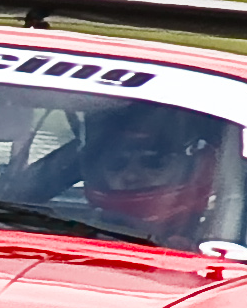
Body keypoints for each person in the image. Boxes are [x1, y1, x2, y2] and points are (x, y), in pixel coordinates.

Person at [81, 105, 218, 246]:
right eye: (116, 164)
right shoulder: (79, 236)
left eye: (154, 162)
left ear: (191, 168)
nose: (131, 176)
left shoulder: (217, 241)